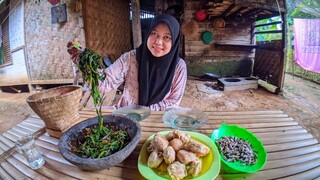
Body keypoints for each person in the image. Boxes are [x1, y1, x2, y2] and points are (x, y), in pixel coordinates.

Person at [67, 14, 187, 111]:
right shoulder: (131, 58)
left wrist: (144, 112)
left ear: (175, 41)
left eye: (167, 37)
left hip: (159, 119)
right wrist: (84, 60)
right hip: (127, 116)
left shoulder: (178, 67)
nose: (158, 42)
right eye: (154, 34)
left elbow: (173, 101)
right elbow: (104, 82)